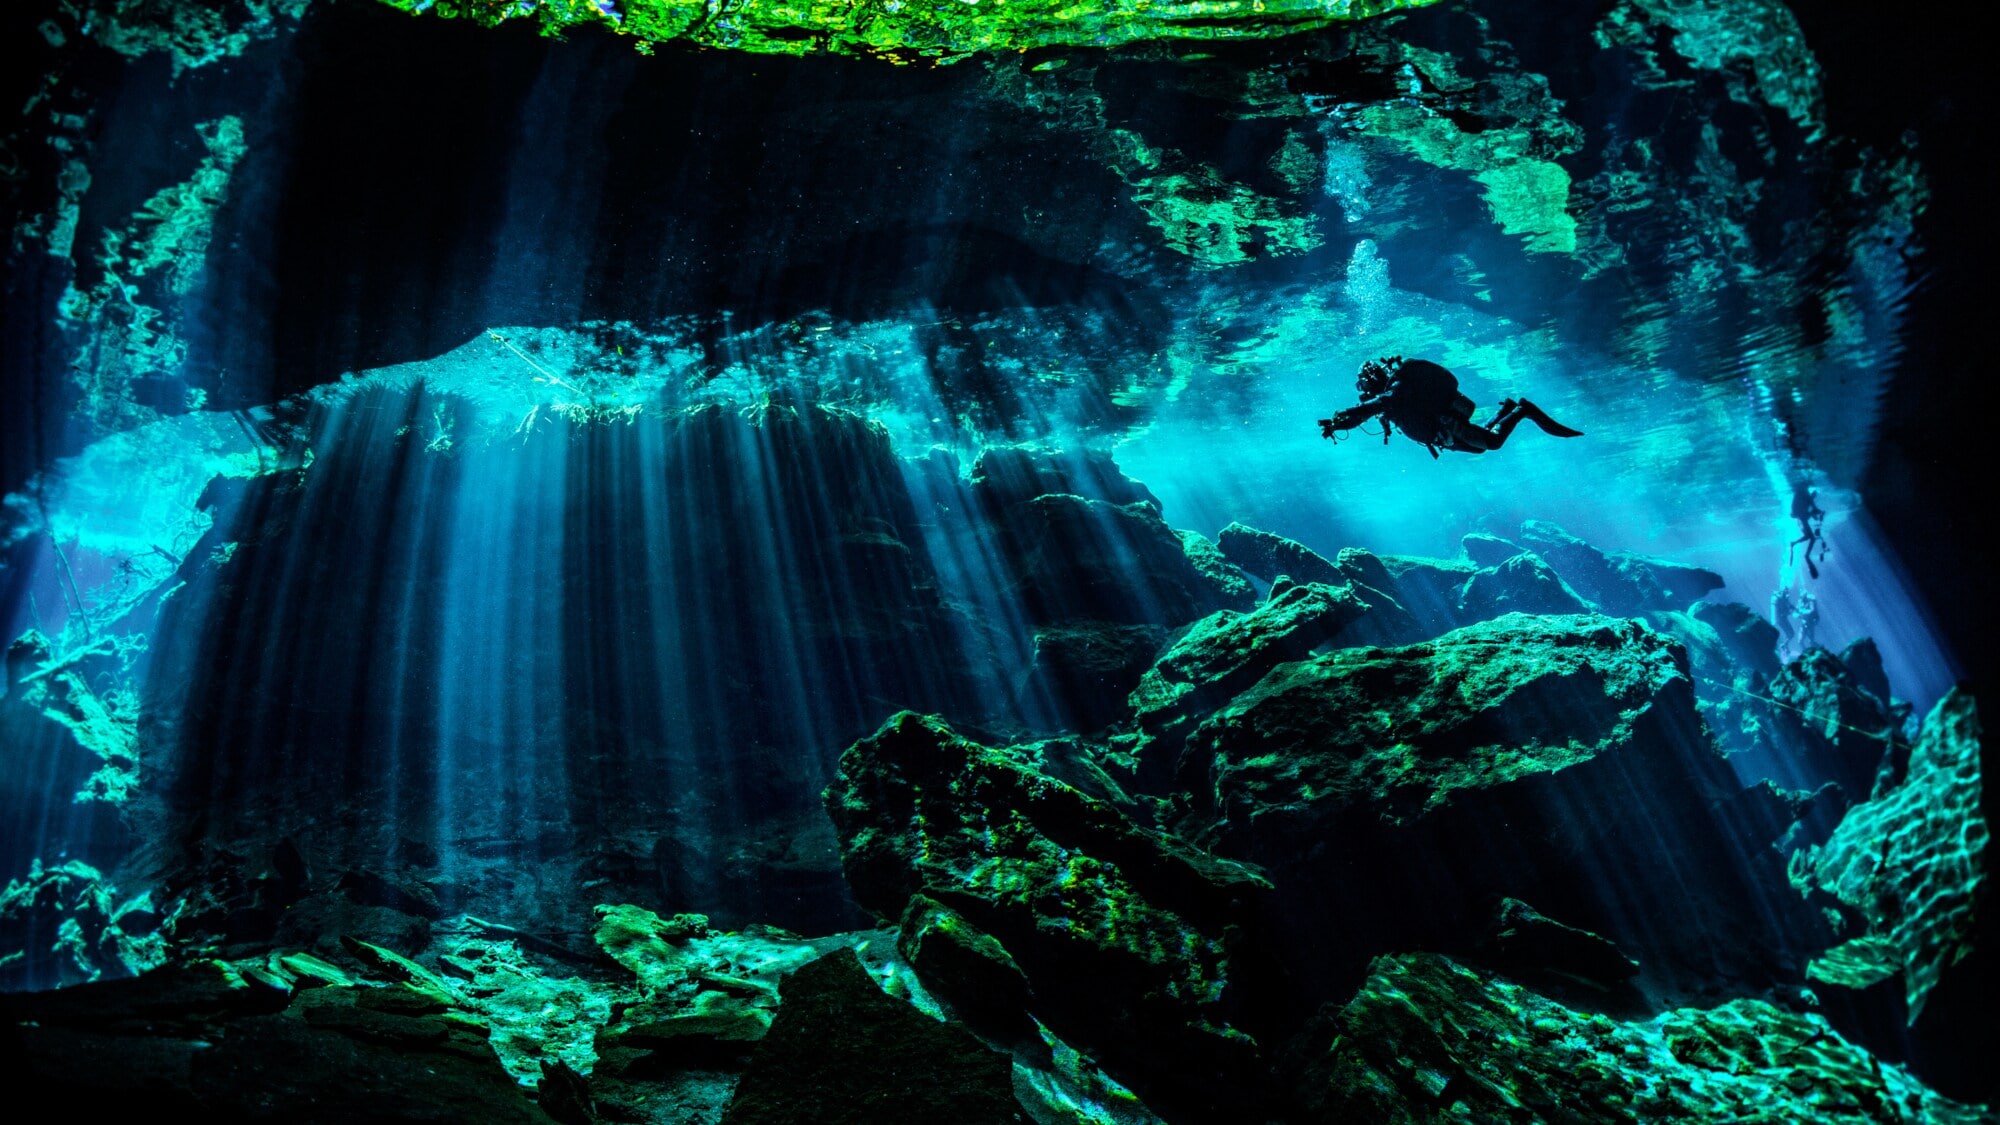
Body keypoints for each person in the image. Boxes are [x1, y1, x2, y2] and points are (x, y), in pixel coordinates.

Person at [1319, 356, 1582, 457]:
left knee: (1492, 444)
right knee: (1479, 449)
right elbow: (1372, 409)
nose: (1365, 393)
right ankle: (1506, 411)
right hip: (1441, 434)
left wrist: (1338, 422)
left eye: (1364, 387)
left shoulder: (1395, 394)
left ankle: (1522, 410)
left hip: (1445, 428)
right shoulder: (1393, 396)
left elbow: (1370, 408)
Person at [1788, 483, 1829, 579]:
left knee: (1809, 537)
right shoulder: (1807, 497)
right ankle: (1802, 551)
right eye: (1814, 494)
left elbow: (1812, 509)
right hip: (1801, 516)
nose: (1814, 496)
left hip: (1801, 515)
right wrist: (1819, 513)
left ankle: (1795, 545)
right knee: (1811, 537)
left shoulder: (1806, 496)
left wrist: (1817, 513)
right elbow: (1813, 509)